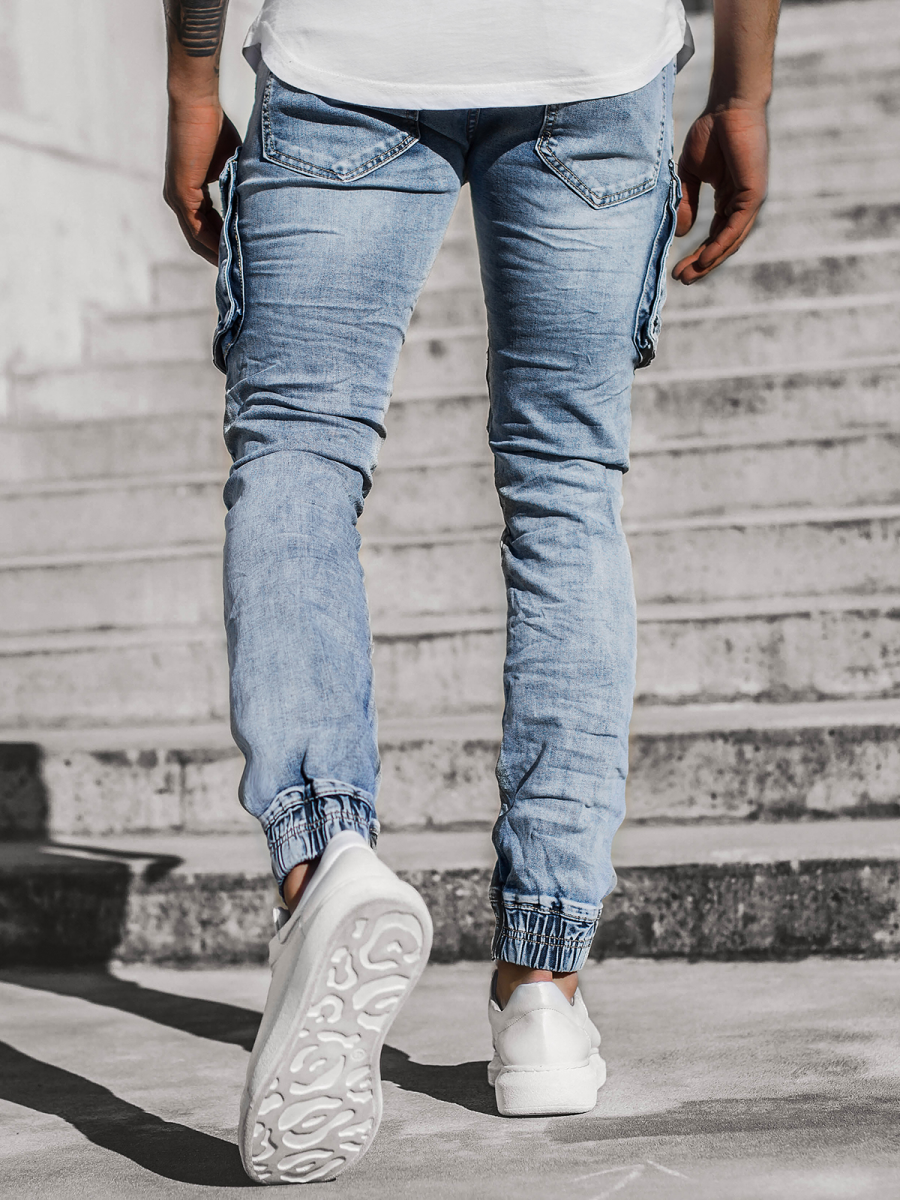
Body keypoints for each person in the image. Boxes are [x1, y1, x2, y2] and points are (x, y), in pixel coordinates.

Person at [162, 0, 779, 1183]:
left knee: (298, 450)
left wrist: (195, 85)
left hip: (347, 56)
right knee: (565, 485)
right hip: (591, 55)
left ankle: (324, 864)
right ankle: (542, 987)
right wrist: (742, 93)